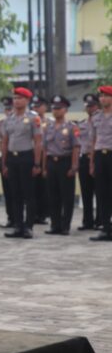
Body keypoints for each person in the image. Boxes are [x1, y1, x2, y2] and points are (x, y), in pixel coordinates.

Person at [0, 87, 42, 239]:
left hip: (26, 157)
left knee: (28, 194)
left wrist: (37, 163)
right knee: (15, 194)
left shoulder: (33, 117)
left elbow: (38, 141)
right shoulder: (8, 119)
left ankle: (28, 226)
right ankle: (17, 225)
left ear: (27, 100)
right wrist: (4, 163)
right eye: (15, 98)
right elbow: (4, 142)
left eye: (20, 98)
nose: (16, 100)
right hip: (12, 158)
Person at [42, 95, 79, 236]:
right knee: (53, 196)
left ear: (65, 110)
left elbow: (76, 147)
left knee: (67, 196)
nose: (55, 111)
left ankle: (65, 226)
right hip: (52, 162)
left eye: (59, 108)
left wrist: (74, 166)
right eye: (54, 108)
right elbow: (45, 149)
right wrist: (45, 167)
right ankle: (55, 225)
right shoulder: (48, 127)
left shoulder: (72, 127)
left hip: (65, 163)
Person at [90, 86, 112, 241]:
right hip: (99, 155)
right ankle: (105, 228)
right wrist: (92, 162)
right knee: (102, 193)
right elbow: (93, 140)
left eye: (106, 96)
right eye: (101, 96)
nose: (103, 99)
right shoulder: (96, 116)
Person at [77, 94, 101, 231]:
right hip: (84, 159)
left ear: (97, 106)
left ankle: (100, 220)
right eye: (87, 106)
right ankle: (87, 221)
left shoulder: (102, 121)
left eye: (92, 106)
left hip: (98, 158)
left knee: (100, 192)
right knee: (86, 192)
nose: (89, 108)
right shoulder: (81, 123)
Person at [31, 95, 52, 225]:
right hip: (31, 155)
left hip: (46, 156)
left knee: (44, 188)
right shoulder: (30, 120)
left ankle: (43, 214)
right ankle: (33, 214)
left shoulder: (50, 122)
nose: (36, 108)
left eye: (38, 106)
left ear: (45, 107)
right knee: (32, 188)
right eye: (34, 106)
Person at [0, 96, 15, 228]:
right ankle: (11, 218)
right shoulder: (1, 124)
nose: (8, 111)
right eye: (6, 109)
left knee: (20, 191)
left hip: (20, 156)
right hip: (5, 157)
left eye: (11, 108)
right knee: (8, 191)